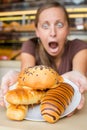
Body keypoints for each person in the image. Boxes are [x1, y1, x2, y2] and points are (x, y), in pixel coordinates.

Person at [0, 1, 87, 114]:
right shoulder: (30, 46)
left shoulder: (79, 47)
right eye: (45, 26)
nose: (53, 33)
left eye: (59, 25)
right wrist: (17, 77)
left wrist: (77, 81)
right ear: (37, 31)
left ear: (68, 29)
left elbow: (78, 76)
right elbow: (26, 81)